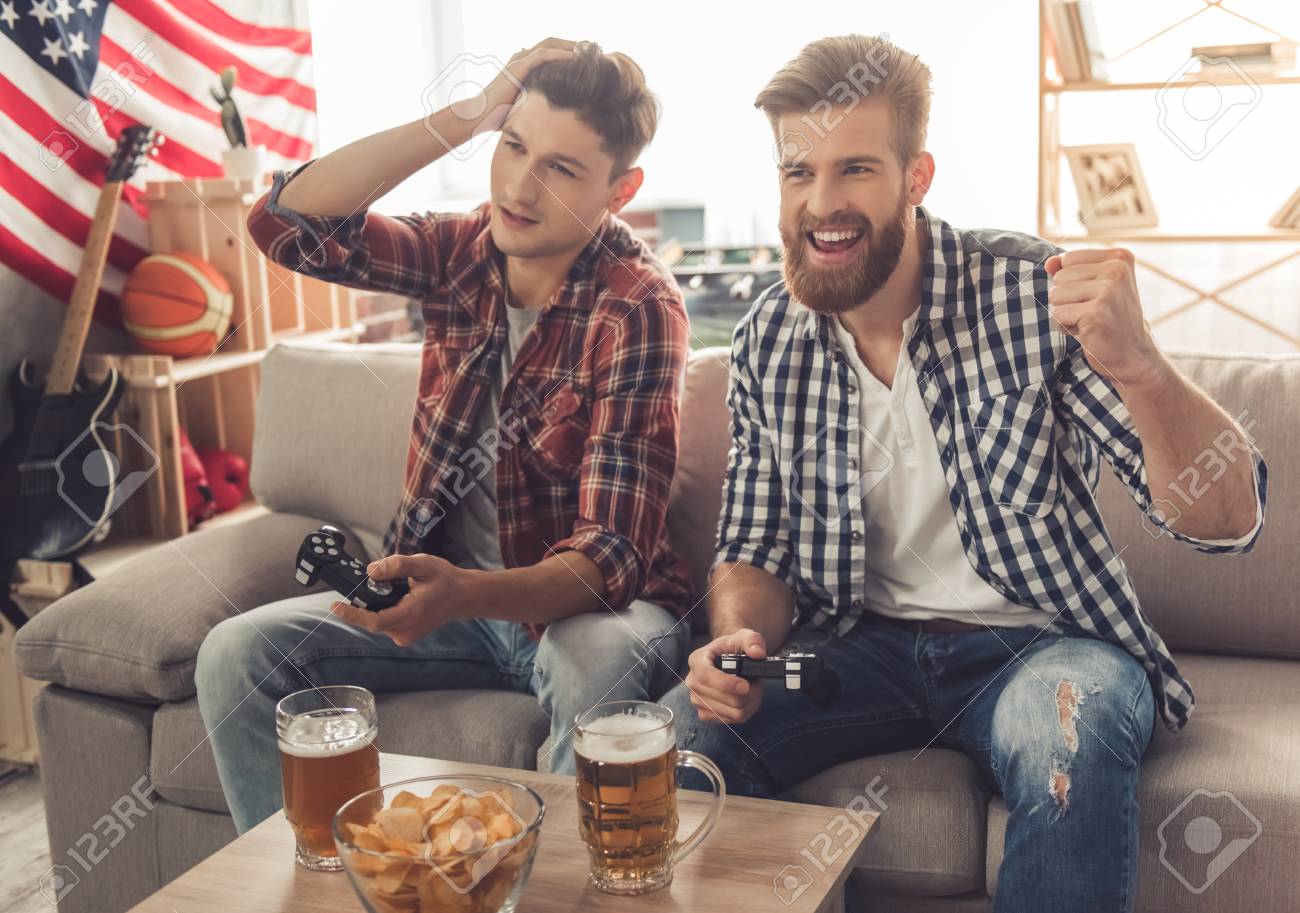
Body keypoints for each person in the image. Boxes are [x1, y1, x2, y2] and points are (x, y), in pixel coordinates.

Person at [659, 34, 1267, 913]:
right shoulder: (768, 336)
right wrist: (739, 639)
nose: (820, 204)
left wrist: (1141, 366)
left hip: (1041, 644)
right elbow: (752, 545)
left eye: (855, 169)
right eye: (798, 173)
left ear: (917, 177)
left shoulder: (1029, 293)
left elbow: (1224, 518)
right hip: (855, 647)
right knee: (680, 738)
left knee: (1075, 732)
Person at [196, 39, 693, 833]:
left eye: (561, 169)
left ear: (620, 191)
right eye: (512, 146)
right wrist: (463, 118)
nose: (519, 187)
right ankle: (334, 886)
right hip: (451, 610)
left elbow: (611, 561)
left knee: (593, 656)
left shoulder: (639, 304)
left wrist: (466, 590)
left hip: (588, 612)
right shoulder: (460, 250)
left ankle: (558, 887)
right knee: (235, 652)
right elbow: (284, 226)